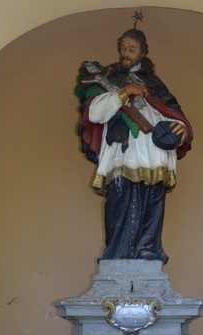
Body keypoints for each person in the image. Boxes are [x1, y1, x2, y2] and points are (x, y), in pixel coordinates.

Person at [76, 28, 192, 263]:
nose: (126, 53)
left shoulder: (154, 83)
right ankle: (117, 253)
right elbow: (95, 112)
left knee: (153, 197)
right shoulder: (109, 78)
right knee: (119, 195)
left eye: (132, 49)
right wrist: (124, 92)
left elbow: (171, 111)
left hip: (154, 150)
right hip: (123, 149)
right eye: (123, 48)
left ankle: (148, 248)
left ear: (143, 52)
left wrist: (182, 128)